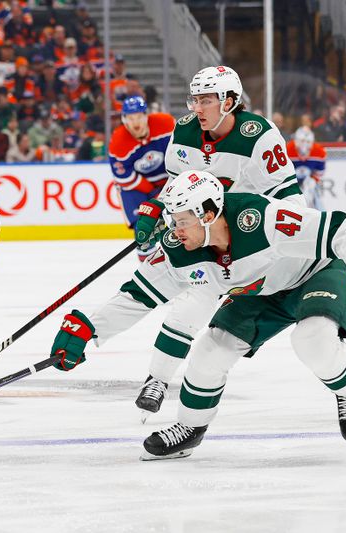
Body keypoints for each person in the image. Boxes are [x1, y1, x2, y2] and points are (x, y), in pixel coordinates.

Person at [50, 170, 346, 459]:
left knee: (312, 339)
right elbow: (137, 295)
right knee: (211, 350)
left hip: (317, 274)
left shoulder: (261, 219)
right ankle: (190, 426)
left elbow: (340, 228)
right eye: (173, 221)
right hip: (260, 292)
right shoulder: (180, 250)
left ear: (208, 214)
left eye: (182, 221)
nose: (174, 230)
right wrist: (90, 329)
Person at [129, 65, 305, 419]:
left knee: (312, 325)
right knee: (191, 305)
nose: (197, 107)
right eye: (194, 99)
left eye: (206, 99)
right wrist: (161, 209)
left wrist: (290, 241)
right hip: (211, 239)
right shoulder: (185, 131)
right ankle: (158, 380)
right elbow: (176, 189)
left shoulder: (259, 134)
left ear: (229, 101)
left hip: (255, 242)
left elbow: (289, 197)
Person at [107, 95, 174, 259]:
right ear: (124, 119)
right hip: (137, 188)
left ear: (146, 116)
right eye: (130, 118)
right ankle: (148, 265)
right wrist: (152, 193)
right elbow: (123, 177)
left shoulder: (166, 124)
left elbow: (182, 153)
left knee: (181, 220)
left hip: (169, 179)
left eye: (138, 117)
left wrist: (167, 188)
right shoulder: (118, 142)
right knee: (143, 227)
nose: (135, 122)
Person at [287, 126, 327, 210]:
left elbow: (319, 172)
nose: (304, 144)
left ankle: (321, 215)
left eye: (308, 141)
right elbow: (283, 172)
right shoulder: (287, 150)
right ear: (296, 140)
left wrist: (313, 180)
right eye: (302, 141)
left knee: (314, 192)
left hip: (309, 179)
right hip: (292, 180)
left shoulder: (319, 151)